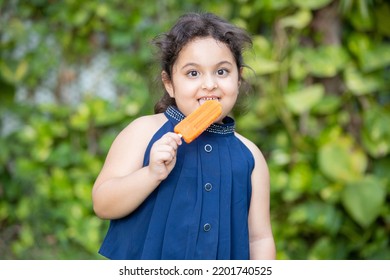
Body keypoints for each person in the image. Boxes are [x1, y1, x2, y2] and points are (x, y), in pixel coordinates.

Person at [92, 12, 276, 260]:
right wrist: (150, 174)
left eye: (222, 72)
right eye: (193, 73)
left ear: (239, 79)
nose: (209, 84)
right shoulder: (144, 132)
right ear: (169, 83)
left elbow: (259, 237)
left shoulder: (250, 156)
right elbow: (103, 204)